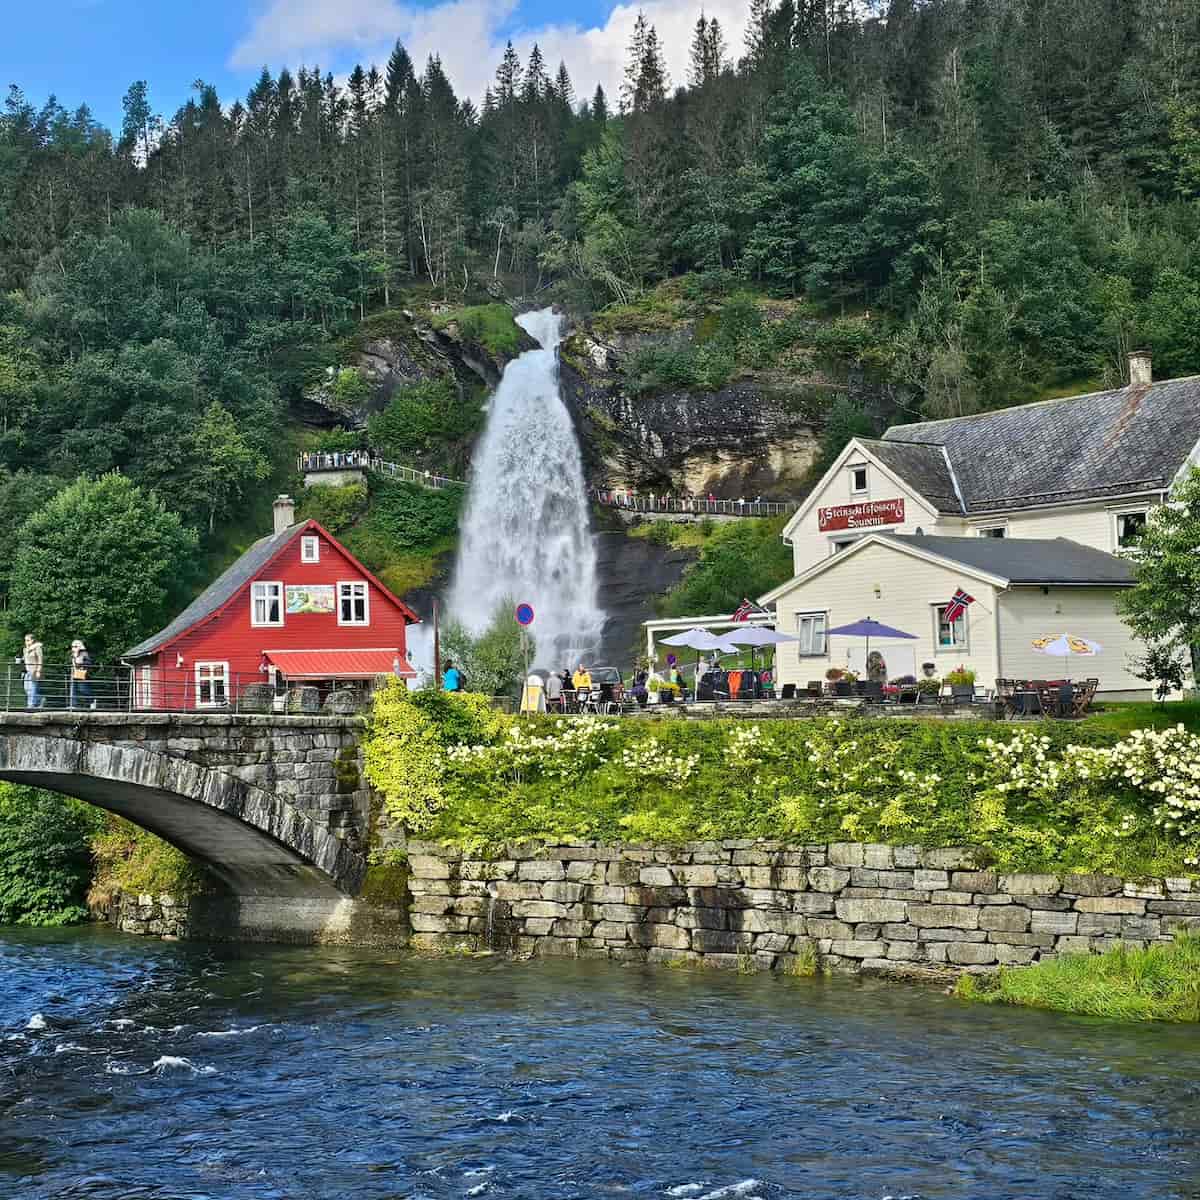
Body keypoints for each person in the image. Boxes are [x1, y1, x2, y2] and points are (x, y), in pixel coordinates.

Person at [70, 639, 95, 710]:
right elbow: (73, 663)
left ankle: (92, 701)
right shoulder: (73, 654)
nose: (73, 648)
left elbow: (89, 663)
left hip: (82, 673)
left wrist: (81, 664)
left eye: (75, 646)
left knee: (83, 689)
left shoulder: (84, 653)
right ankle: (74, 705)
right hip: (74, 673)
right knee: (73, 689)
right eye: (72, 646)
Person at [21, 634, 43, 709]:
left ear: (32, 640)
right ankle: (40, 699)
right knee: (26, 689)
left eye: (28, 640)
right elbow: (25, 659)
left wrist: (38, 671)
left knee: (32, 688)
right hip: (27, 671)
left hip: (34, 670)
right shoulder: (25, 649)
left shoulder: (37, 648)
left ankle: (30, 705)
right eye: (25, 640)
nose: (26, 642)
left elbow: (40, 660)